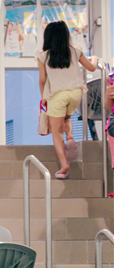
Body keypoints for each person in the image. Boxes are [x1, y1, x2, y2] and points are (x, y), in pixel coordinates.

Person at [37, 20, 99, 178]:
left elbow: (43, 80)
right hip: (76, 94)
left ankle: (64, 164)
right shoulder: (75, 50)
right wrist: (95, 59)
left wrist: (44, 97)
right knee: (66, 118)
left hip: (58, 95)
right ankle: (70, 137)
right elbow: (91, 67)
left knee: (56, 131)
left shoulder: (43, 56)